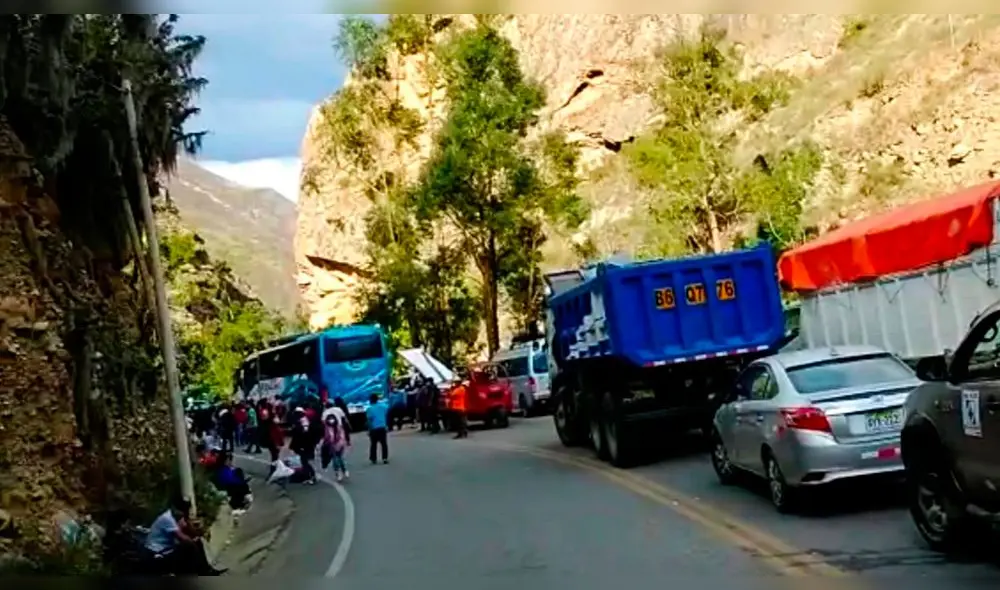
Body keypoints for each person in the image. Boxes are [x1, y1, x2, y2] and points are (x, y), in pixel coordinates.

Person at [143, 498, 226, 576]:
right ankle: (200, 571)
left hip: (167, 550)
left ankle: (206, 570)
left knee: (196, 542)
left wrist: (198, 533)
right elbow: (182, 537)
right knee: (189, 545)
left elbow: (188, 529)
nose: (182, 514)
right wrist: (194, 541)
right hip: (157, 554)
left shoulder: (176, 517)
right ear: (174, 508)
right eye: (181, 511)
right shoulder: (167, 519)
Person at [320, 403, 351, 482]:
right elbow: (344, 419)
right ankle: (341, 472)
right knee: (337, 458)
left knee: (337, 458)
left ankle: (341, 471)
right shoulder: (338, 410)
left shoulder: (325, 414)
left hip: (337, 442)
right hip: (335, 442)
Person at [289, 407, 318, 485]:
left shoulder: (303, 422)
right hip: (305, 445)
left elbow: (303, 435)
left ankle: (312, 476)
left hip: (305, 445)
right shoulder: (301, 421)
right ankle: (308, 476)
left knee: (305, 461)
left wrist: (300, 446)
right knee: (304, 461)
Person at [365, 393, 389, 465]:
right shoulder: (384, 407)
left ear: (371, 400)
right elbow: (387, 414)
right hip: (382, 427)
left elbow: (369, 420)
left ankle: (373, 458)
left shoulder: (369, 409)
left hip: (374, 429)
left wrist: (369, 430)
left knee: (373, 444)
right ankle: (385, 458)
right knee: (384, 444)